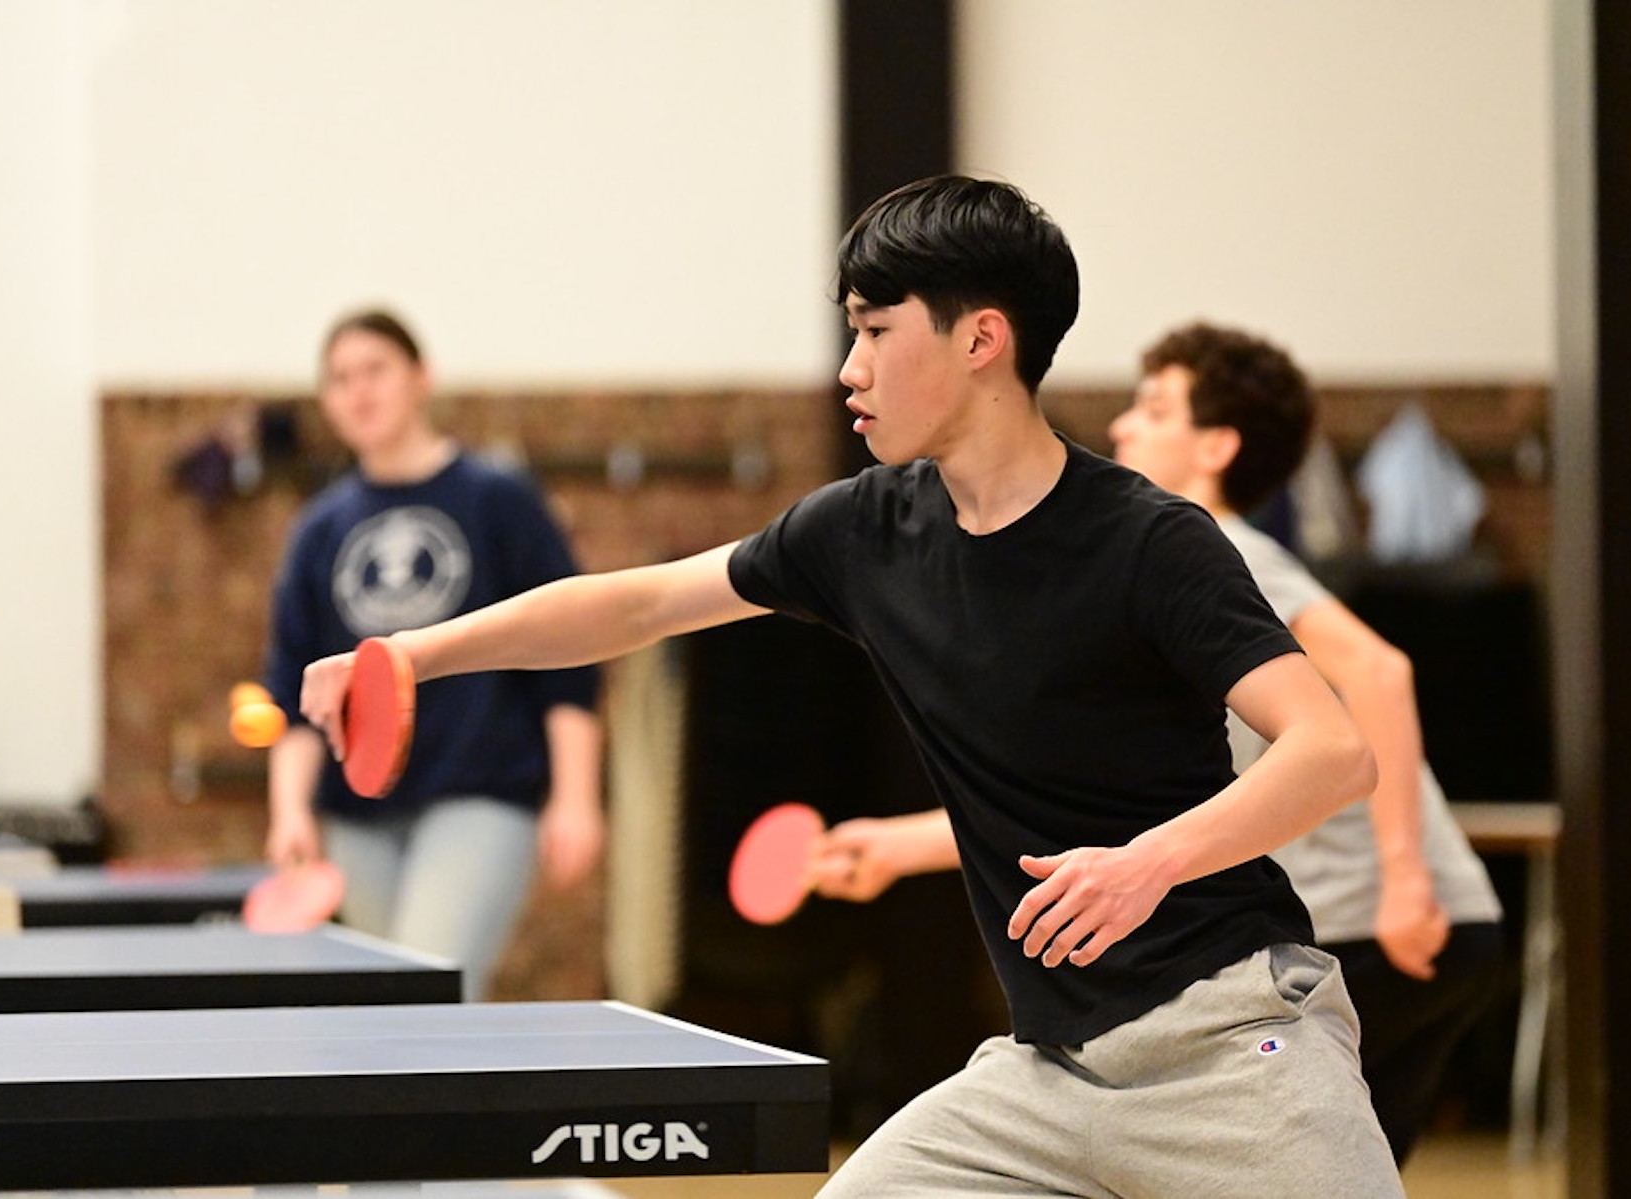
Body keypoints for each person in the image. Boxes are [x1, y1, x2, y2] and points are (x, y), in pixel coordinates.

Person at [298, 178, 1403, 1195]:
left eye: (876, 330)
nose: (850, 367)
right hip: (1051, 1072)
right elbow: (635, 603)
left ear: (981, 338)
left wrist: (1148, 863)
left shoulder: (1154, 543)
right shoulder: (867, 530)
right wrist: (410, 655)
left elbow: (1329, 748)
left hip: (1236, 1045)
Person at [812, 318, 1505, 1165]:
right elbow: (1087, 817)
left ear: (1216, 445)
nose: (1121, 428)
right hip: (1379, 921)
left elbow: (1382, 674)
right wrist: (896, 845)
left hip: (1375, 924)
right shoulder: (1134, 566)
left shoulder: (1214, 545)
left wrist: (1406, 878)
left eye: (1154, 409)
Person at [262, 307, 606, 1003]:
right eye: (340, 379)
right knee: (398, 1014)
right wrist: (288, 809)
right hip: (357, 811)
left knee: (430, 986)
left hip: (481, 789)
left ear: (422, 378)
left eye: (375, 371)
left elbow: (571, 656)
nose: (359, 391)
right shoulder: (320, 527)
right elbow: (294, 689)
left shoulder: (496, 497)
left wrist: (576, 796)